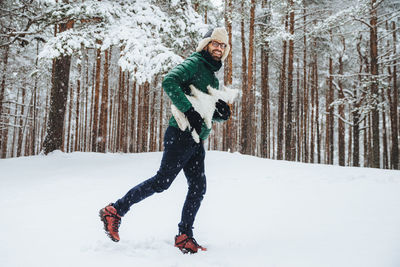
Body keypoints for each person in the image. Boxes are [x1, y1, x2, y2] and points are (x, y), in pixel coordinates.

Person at [99, 27, 231, 254]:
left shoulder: (211, 76)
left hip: (195, 139)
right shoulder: (195, 62)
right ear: (206, 45)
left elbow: (205, 111)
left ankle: (184, 235)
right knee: (162, 182)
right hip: (180, 133)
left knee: (198, 187)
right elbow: (170, 81)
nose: (218, 48)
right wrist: (188, 110)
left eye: (223, 45)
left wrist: (221, 113)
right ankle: (115, 210)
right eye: (215, 43)